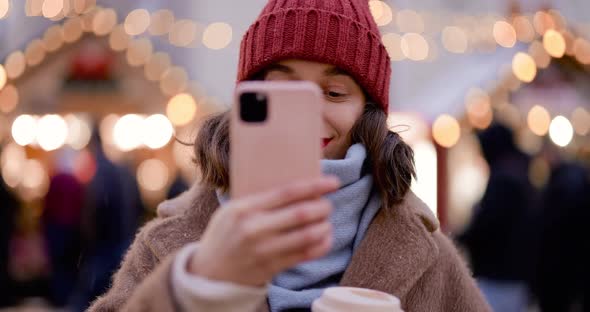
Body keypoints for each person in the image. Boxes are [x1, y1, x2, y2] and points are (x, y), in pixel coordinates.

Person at [89, 1, 491, 311]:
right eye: (285, 91)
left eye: (334, 93)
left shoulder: (427, 253)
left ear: (367, 113)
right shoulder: (173, 241)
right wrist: (198, 284)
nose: (311, 113)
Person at [458, 123, 536, 312]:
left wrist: (460, 237)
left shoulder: (503, 181)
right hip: (514, 276)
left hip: (498, 278)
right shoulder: (519, 173)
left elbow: (488, 226)